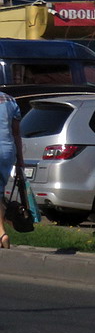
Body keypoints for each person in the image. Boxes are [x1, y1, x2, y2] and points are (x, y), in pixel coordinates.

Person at [0, 90, 23, 249]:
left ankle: (1, 232)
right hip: (7, 150)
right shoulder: (10, 100)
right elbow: (16, 133)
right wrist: (20, 158)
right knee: (0, 192)